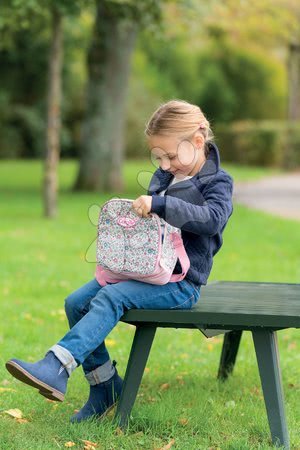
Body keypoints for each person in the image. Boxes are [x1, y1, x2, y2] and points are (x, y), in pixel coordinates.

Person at [5, 99, 233, 423]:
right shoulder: (166, 175)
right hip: (146, 270)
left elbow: (212, 219)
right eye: (158, 156)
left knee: (113, 296)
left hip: (182, 284)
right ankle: (105, 387)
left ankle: (57, 365)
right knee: (76, 303)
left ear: (197, 141)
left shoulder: (218, 182)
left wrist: (160, 204)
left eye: (171, 155)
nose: (165, 164)